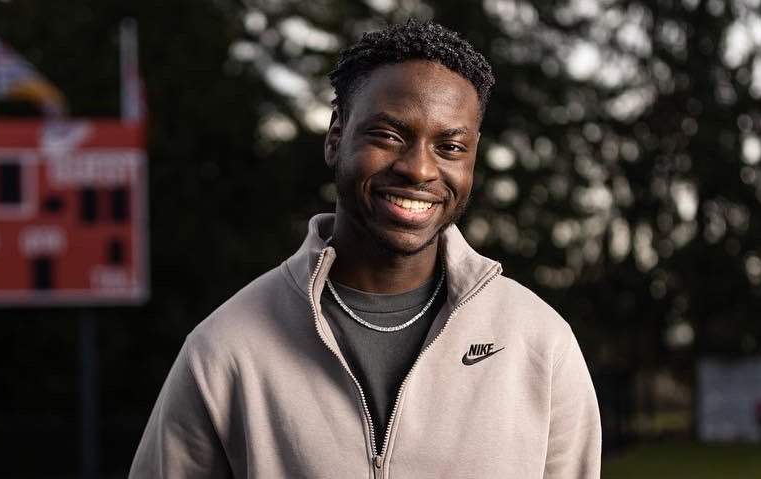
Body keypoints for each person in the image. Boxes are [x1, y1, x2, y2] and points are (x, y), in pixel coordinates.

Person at [130, 21, 601, 478]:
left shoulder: (540, 344)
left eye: (450, 147)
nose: (419, 169)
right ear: (336, 137)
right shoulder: (225, 349)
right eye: (389, 136)